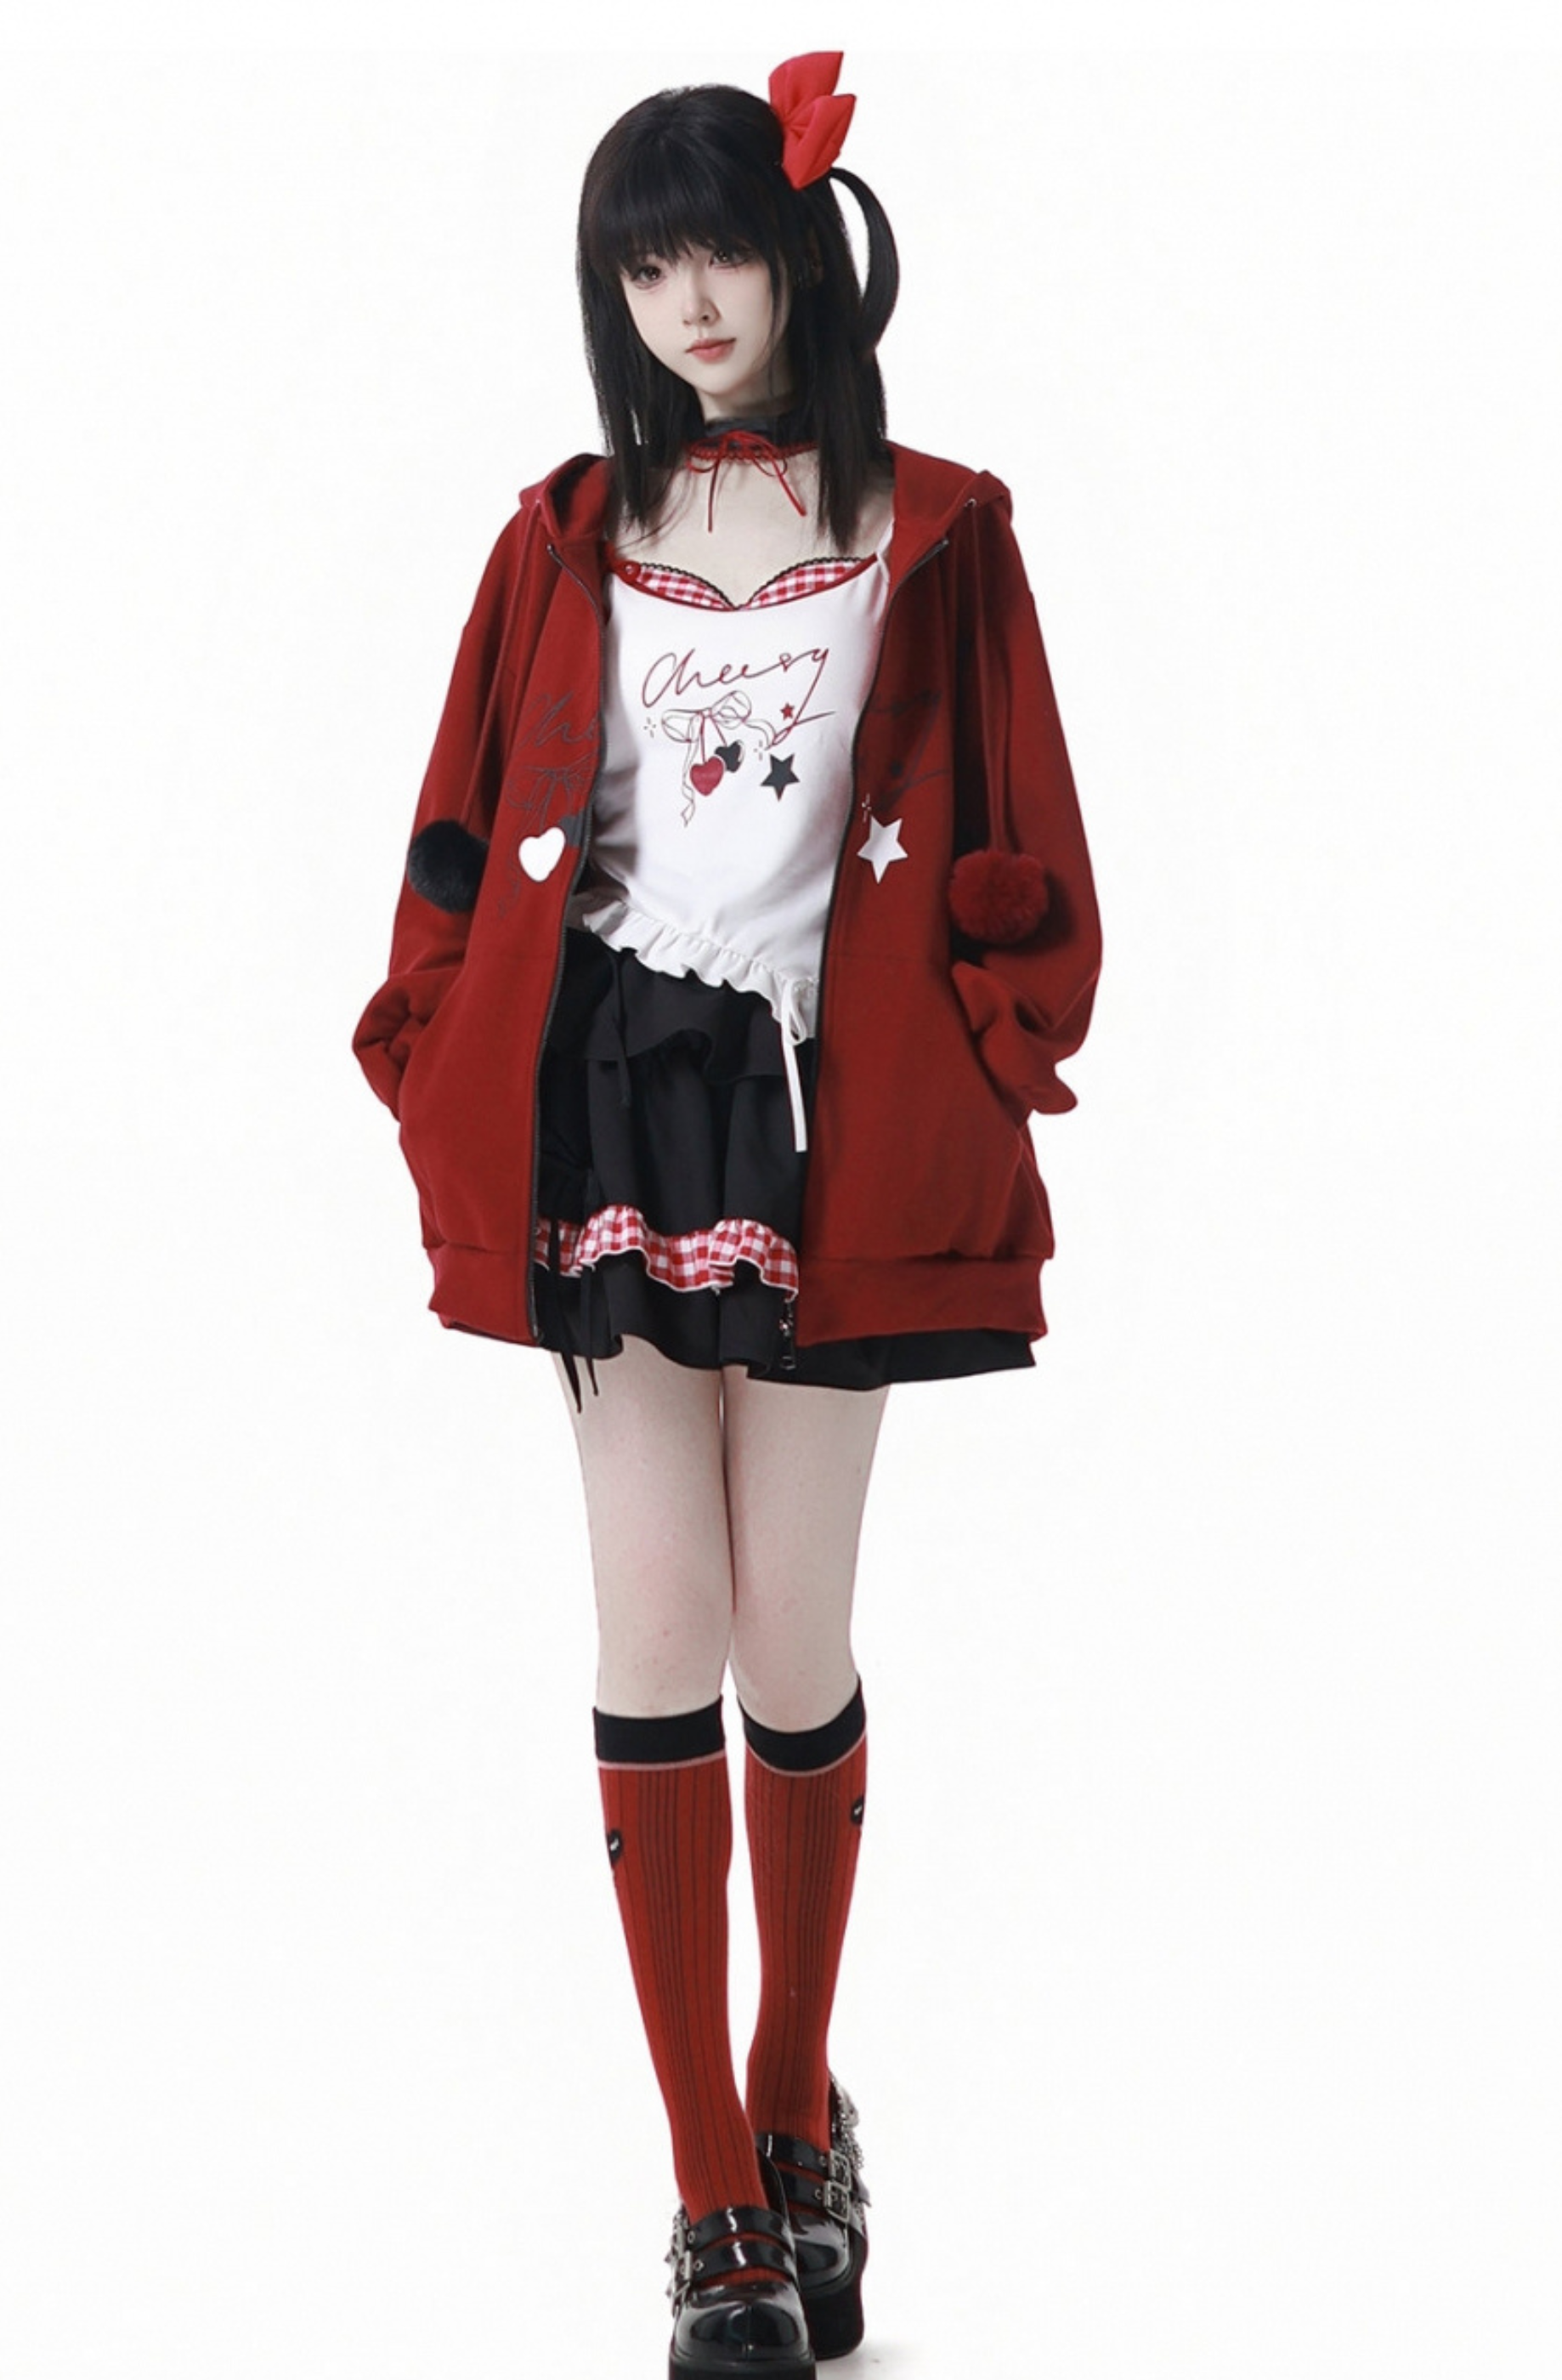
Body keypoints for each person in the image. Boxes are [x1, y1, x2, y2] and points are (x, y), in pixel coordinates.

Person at [352, 51, 1101, 2379]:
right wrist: (431, 1038)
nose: (690, 303)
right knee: (658, 1611)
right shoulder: (566, 532)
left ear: (803, 259)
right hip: (608, 1102)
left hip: (828, 1120)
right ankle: (709, 2189)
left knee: (793, 1634)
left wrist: (1000, 1038)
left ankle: (796, 2098)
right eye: (647, 265)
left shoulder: (935, 531)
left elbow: (1029, 826)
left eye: (725, 254)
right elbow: (460, 819)